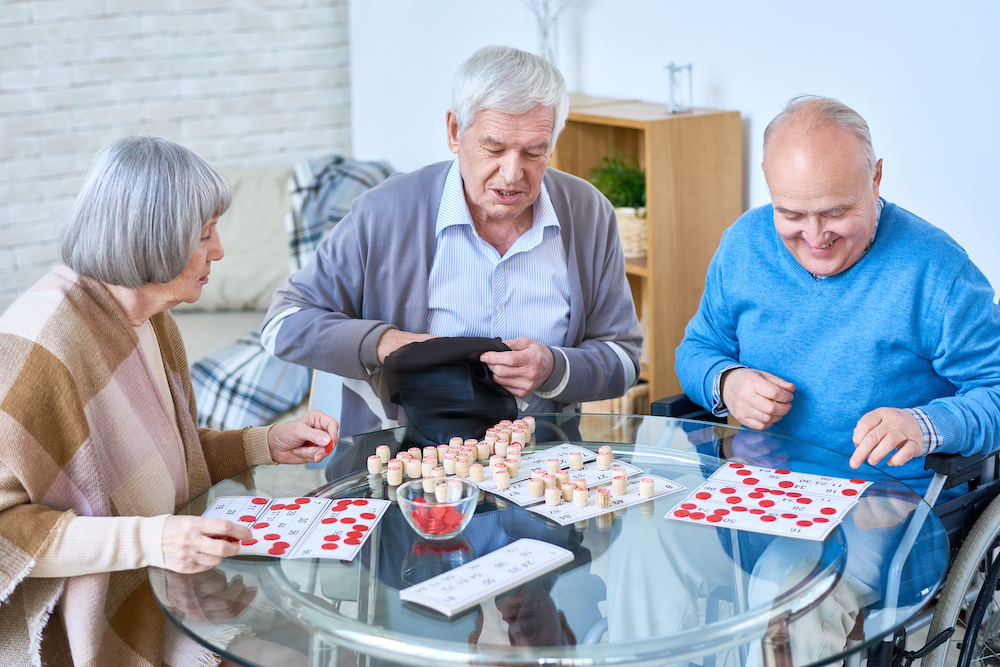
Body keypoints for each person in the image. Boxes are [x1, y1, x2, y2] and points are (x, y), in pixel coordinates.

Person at [673, 95, 1000, 663]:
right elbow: (697, 349)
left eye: (834, 213)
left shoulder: (936, 271)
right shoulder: (744, 245)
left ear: (876, 179)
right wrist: (725, 383)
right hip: (758, 490)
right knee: (646, 547)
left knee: (787, 586)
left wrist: (927, 424)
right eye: (792, 215)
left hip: (884, 507)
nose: (815, 236)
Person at [0, 136, 340, 667]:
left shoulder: (148, 315)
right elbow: (4, 536)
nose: (220, 250)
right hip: (90, 620)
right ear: (151, 240)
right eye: (204, 235)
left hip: (169, 579)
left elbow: (167, 453)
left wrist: (262, 443)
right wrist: (152, 539)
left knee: (315, 630)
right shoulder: (39, 354)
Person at [263, 45, 642, 438]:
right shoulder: (385, 212)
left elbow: (626, 360)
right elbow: (282, 324)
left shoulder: (588, 213)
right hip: (403, 468)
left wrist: (553, 366)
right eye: (493, 149)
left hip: (541, 471)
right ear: (455, 131)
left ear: (555, 139)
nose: (512, 174)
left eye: (534, 151)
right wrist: (385, 344)